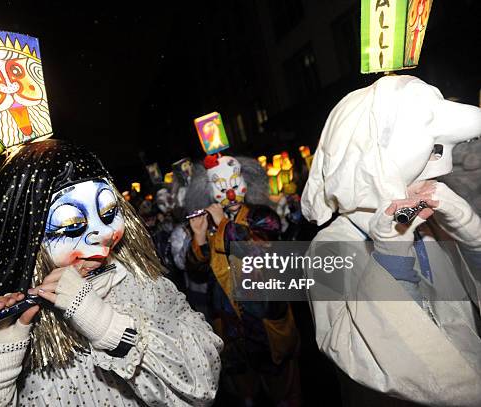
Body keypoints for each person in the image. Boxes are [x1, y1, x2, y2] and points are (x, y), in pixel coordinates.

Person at [0, 140, 223, 406]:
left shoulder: (142, 284)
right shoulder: (6, 316)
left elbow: (202, 385)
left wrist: (111, 328)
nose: (104, 233)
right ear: (26, 235)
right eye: (72, 224)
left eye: (109, 212)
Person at [301, 75, 481, 406]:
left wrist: (473, 242)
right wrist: (391, 258)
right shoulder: (327, 248)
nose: (439, 171)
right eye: (429, 154)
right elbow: (354, 353)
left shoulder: (432, 226)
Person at [185, 154, 300, 406]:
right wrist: (200, 237)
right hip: (230, 322)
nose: (229, 194)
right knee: (241, 379)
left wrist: (222, 223)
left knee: (278, 376)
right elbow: (197, 271)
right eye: (222, 188)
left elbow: (256, 245)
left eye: (235, 186)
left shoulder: (262, 216)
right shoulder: (213, 225)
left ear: (246, 184)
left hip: (263, 315)